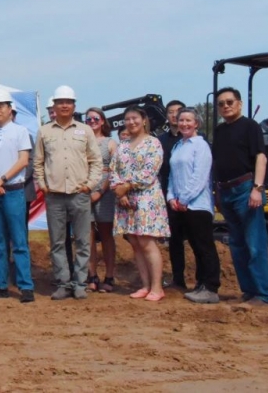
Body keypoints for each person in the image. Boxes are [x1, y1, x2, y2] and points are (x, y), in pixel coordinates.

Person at [33, 86, 102, 301]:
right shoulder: (44, 131)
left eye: (68, 102)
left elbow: (96, 161)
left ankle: (80, 284)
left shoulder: (85, 130)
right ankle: (63, 283)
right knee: (57, 242)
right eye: (60, 102)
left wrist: (89, 185)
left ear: (74, 105)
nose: (64, 105)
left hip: (79, 194)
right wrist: (43, 184)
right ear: (54, 105)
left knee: (82, 241)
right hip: (54, 195)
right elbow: (38, 162)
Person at [212, 87, 268, 306]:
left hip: (246, 189)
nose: (225, 106)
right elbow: (217, 162)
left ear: (239, 104)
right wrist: (217, 192)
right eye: (221, 103)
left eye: (229, 102)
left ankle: (263, 294)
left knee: (255, 244)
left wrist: (257, 188)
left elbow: (261, 157)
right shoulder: (219, 131)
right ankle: (248, 291)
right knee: (237, 245)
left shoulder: (250, 126)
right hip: (226, 191)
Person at [110, 106, 170, 302]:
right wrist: (119, 191)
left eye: (135, 118)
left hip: (146, 198)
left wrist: (127, 186)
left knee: (146, 242)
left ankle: (157, 287)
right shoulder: (123, 145)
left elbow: (149, 171)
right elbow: (113, 170)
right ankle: (145, 285)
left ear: (144, 120)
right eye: (127, 119)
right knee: (135, 242)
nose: (131, 122)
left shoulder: (153, 143)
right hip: (125, 200)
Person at [0, 89, 35, 303]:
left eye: (1, 106)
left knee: (19, 241)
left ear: (10, 109)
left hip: (13, 191)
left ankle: (26, 286)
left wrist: (1, 180)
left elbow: (23, 161)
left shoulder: (20, 131)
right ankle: (0, 284)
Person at [166, 108, 221, 304]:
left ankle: (211, 287)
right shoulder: (177, 146)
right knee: (195, 247)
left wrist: (184, 199)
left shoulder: (201, 145)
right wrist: (171, 197)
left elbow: (200, 177)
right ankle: (200, 284)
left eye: (189, 120)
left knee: (204, 246)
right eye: (181, 120)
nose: (184, 124)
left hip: (197, 205)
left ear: (196, 123)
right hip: (179, 205)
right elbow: (172, 176)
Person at [83, 107, 117, 293]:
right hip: (85, 189)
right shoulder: (81, 142)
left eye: (96, 118)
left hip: (105, 191)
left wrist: (101, 192)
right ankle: (92, 275)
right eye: (88, 119)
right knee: (87, 235)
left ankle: (109, 276)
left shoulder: (110, 143)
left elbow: (114, 171)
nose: (92, 121)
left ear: (103, 121)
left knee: (106, 234)